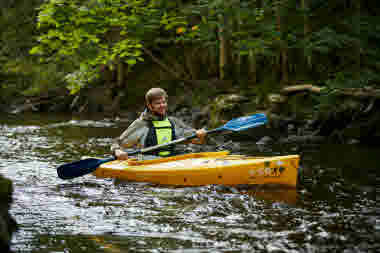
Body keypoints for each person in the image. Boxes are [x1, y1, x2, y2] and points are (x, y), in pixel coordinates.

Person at [111, 88, 207, 160]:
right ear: (149, 105)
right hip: (148, 163)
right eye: (158, 103)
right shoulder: (142, 124)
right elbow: (117, 143)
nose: (162, 105)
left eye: (164, 102)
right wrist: (117, 151)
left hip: (171, 161)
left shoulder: (173, 122)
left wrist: (200, 135)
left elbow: (196, 141)